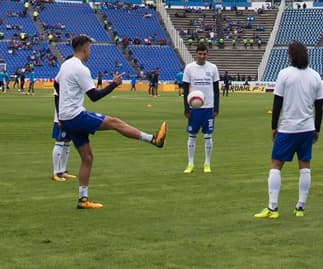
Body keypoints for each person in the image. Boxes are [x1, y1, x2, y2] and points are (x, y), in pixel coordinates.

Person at [55, 35, 167, 209]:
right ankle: (153, 139)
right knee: (115, 122)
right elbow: (94, 96)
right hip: (75, 116)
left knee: (88, 158)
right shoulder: (80, 69)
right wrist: (114, 84)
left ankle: (83, 200)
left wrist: (60, 114)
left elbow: (56, 86)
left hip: (67, 117)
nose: (90, 51)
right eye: (89, 48)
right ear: (85, 48)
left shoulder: (65, 65)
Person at [255, 41, 323, 219]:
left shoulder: (284, 74)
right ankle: (300, 207)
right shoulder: (316, 76)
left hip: (288, 128)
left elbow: (277, 102)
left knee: (276, 165)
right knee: (305, 166)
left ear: (292, 56)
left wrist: (273, 127)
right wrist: (316, 129)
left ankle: (272, 208)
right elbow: (320, 106)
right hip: (307, 128)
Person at [181, 43, 220, 174]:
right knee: (192, 135)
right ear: (196, 54)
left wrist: (216, 107)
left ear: (207, 54)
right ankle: (190, 163)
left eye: (204, 54)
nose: (202, 56)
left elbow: (216, 89)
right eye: (200, 54)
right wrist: (186, 108)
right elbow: (185, 90)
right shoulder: (189, 68)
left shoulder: (213, 68)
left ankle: (207, 163)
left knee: (208, 135)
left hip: (208, 107)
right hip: (194, 108)